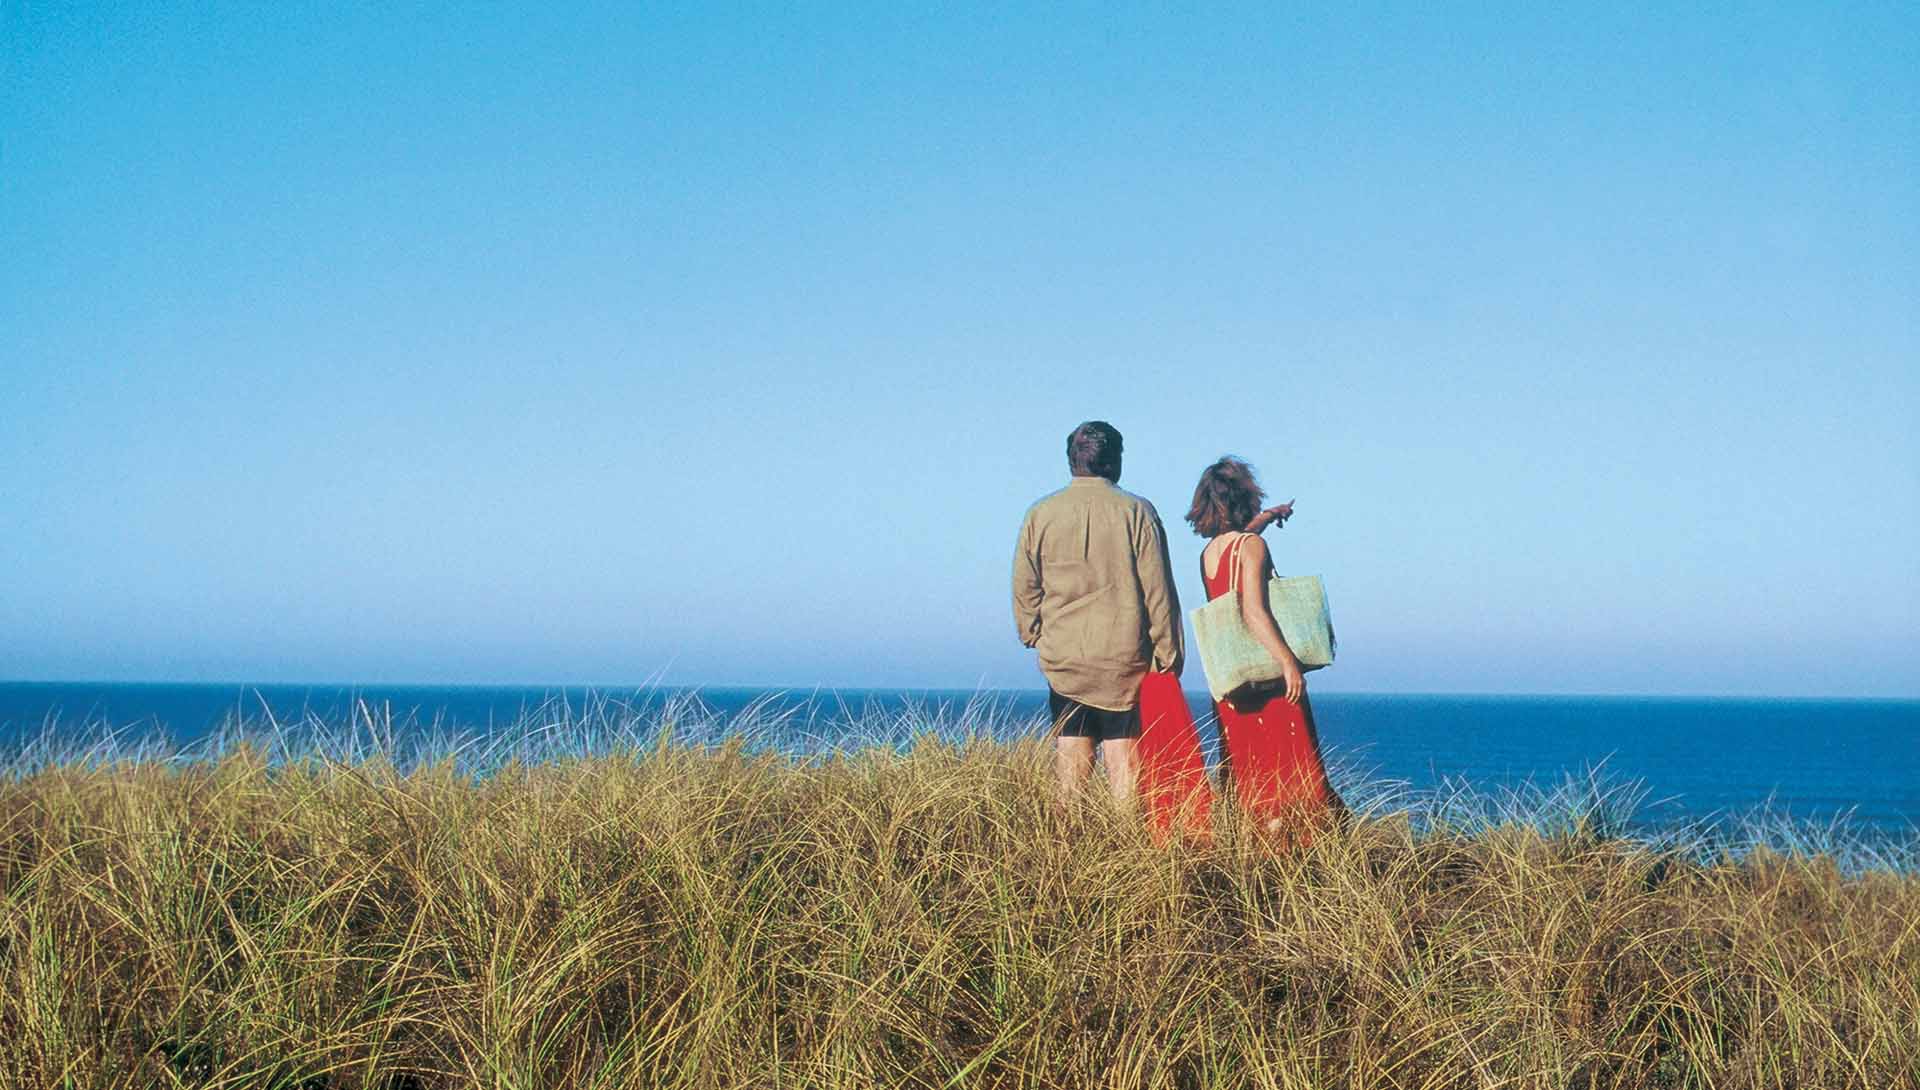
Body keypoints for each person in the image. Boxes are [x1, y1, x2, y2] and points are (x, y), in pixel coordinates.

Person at [1013, 421, 1184, 802]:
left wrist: (1033, 633)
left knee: (1069, 766)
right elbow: (1158, 591)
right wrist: (1168, 653)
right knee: (1123, 762)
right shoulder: (1137, 511)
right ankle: (1123, 847)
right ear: (1115, 462)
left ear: (1071, 460)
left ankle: (1066, 851)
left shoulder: (1040, 513)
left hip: (1064, 656)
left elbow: (1024, 583)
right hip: (1124, 659)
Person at [1185, 456, 1340, 837]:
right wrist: (1288, 662)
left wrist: (1271, 516)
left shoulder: (1209, 554)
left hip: (1234, 683)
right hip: (1269, 682)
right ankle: (1298, 866)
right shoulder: (1251, 547)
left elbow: (1241, 550)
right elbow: (1253, 611)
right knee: (1293, 781)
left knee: (1250, 780)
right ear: (1244, 497)